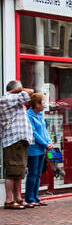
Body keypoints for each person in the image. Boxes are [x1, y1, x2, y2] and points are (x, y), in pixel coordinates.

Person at [2, 80, 33, 210]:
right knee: (12, 170)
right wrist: (20, 89)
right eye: (20, 87)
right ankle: (9, 200)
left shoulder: (14, 99)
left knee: (19, 170)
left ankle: (18, 197)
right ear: (16, 89)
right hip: (13, 139)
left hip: (19, 139)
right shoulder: (8, 99)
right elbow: (30, 92)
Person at [22, 93, 50, 206]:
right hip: (33, 148)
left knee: (38, 174)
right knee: (32, 173)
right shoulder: (29, 115)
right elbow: (33, 133)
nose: (44, 104)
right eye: (42, 102)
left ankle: (36, 196)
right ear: (36, 104)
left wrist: (49, 142)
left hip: (42, 148)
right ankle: (30, 198)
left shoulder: (40, 115)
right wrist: (45, 144)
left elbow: (44, 130)